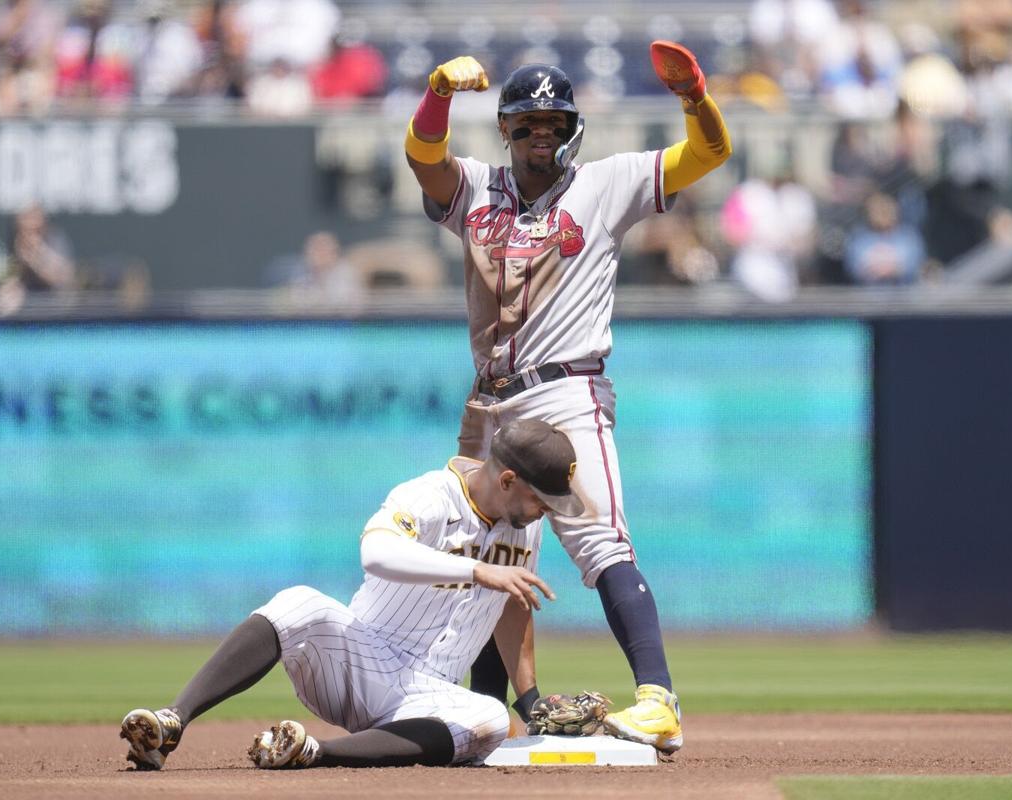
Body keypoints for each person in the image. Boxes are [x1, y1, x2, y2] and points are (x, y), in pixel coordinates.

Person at [403, 43, 731, 754]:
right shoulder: (477, 189)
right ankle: (485, 709)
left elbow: (707, 154)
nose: (541, 135)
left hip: (567, 392)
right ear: (507, 133)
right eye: (527, 125)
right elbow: (424, 161)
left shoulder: (605, 184)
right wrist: (436, 97)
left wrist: (695, 97)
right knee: (492, 552)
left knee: (599, 540)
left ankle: (659, 700)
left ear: (573, 128)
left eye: (554, 123)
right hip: (490, 405)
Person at [121, 418, 583, 770]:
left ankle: (313, 753)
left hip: (427, 697)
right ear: (507, 481)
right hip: (356, 660)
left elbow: (511, 608)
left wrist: (531, 701)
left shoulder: (526, 529)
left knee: (491, 720)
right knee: (300, 602)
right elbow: (376, 552)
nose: (546, 510)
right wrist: (477, 570)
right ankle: (171, 721)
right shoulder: (429, 496)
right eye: (542, 498)